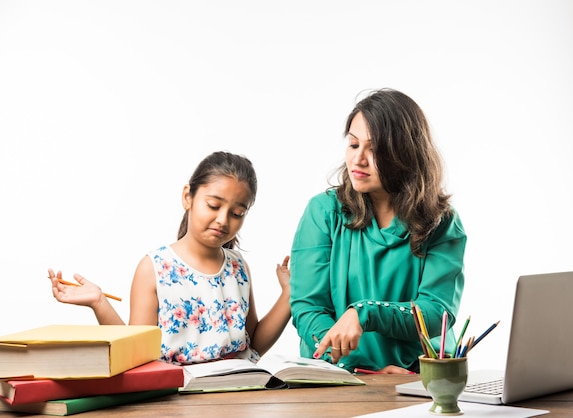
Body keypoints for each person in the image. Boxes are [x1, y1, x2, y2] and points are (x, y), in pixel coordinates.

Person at [48, 151, 291, 364]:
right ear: (188, 197)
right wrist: (99, 303)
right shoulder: (155, 267)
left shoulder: (238, 267)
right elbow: (136, 353)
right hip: (178, 397)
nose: (223, 220)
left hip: (238, 393)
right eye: (214, 206)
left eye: (237, 213)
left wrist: (289, 294)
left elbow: (253, 345)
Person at [289, 89, 466, 374]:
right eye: (354, 144)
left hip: (417, 376)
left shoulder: (441, 221)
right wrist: (353, 367)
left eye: (375, 150)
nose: (359, 159)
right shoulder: (323, 212)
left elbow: (436, 312)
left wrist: (365, 312)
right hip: (341, 377)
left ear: (405, 153)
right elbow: (308, 309)